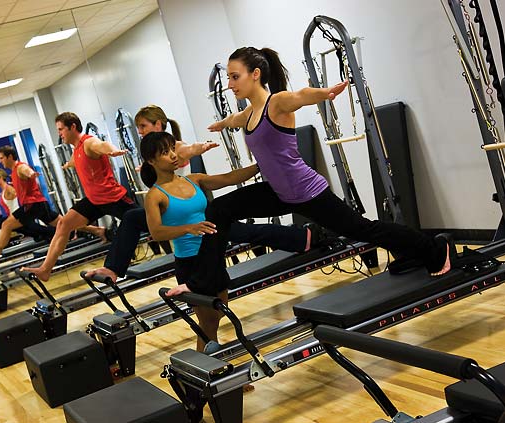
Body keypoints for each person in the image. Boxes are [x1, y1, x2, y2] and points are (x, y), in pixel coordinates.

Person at [167, 46, 451, 305]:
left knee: (364, 230)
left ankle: (435, 248)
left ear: (255, 74)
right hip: (278, 192)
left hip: (306, 192)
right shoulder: (249, 113)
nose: (230, 84)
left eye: (234, 77)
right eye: (229, 78)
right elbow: (234, 120)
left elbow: (300, 96)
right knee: (219, 209)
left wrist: (324, 93)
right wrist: (220, 125)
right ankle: (207, 282)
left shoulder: (276, 103)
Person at [85, 105, 314, 283]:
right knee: (132, 218)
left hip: (191, 210)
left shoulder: (175, 147)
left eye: (143, 126)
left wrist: (200, 148)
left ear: (158, 124)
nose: (140, 131)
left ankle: (303, 237)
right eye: (139, 127)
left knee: (246, 231)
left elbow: (190, 151)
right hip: (173, 212)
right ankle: (113, 268)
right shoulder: (152, 152)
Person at [141, 131, 260, 352]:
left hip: (212, 257)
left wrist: (261, 165)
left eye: (172, 149)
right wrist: (188, 228)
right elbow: (156, 233)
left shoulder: (193, 179)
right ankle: (209, 369)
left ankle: (212, 367)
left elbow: (229, 178)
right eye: (165, 152)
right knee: (208, 324)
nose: (173, 155)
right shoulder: (155, 195)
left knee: (218, 315)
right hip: (190, 262)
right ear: (151, 161)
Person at [21, 112, 135, 281]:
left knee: (147, 223)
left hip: (113, 198)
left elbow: (102, 145)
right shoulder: (77, 149)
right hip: (94, 201)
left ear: (73, 127)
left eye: (61, 129)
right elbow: (77, 160)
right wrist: (68, 164)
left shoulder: (88, 142)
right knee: (63, 224)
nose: (59, 134)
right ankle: (45, 270)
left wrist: (113, 151)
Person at [0, 146, 61, 266]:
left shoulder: (19, 167)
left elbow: (26, 170)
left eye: (2, 158)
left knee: (6, 225)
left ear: (10, 157)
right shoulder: (13, 173)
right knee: (63, 223)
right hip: (39, 204)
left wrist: (31, 174)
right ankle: (89, 229)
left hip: (32, 204)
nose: (0, 161)